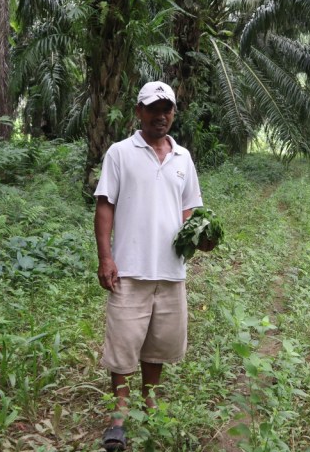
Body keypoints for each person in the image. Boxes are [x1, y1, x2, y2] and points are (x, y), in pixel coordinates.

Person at [93, 81, 203, 452]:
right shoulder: (120, 153)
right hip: (129, 268)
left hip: (171, 270)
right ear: (138, 111)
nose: (161, 115)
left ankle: (150, 399)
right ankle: (120, 413)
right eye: (153, 108)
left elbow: (189, 209)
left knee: (159, 342)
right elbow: (105, 204)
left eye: (167, 108)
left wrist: (199, 236)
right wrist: (106, 257)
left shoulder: (183, 158)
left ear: (174, 112)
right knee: (124, 342)